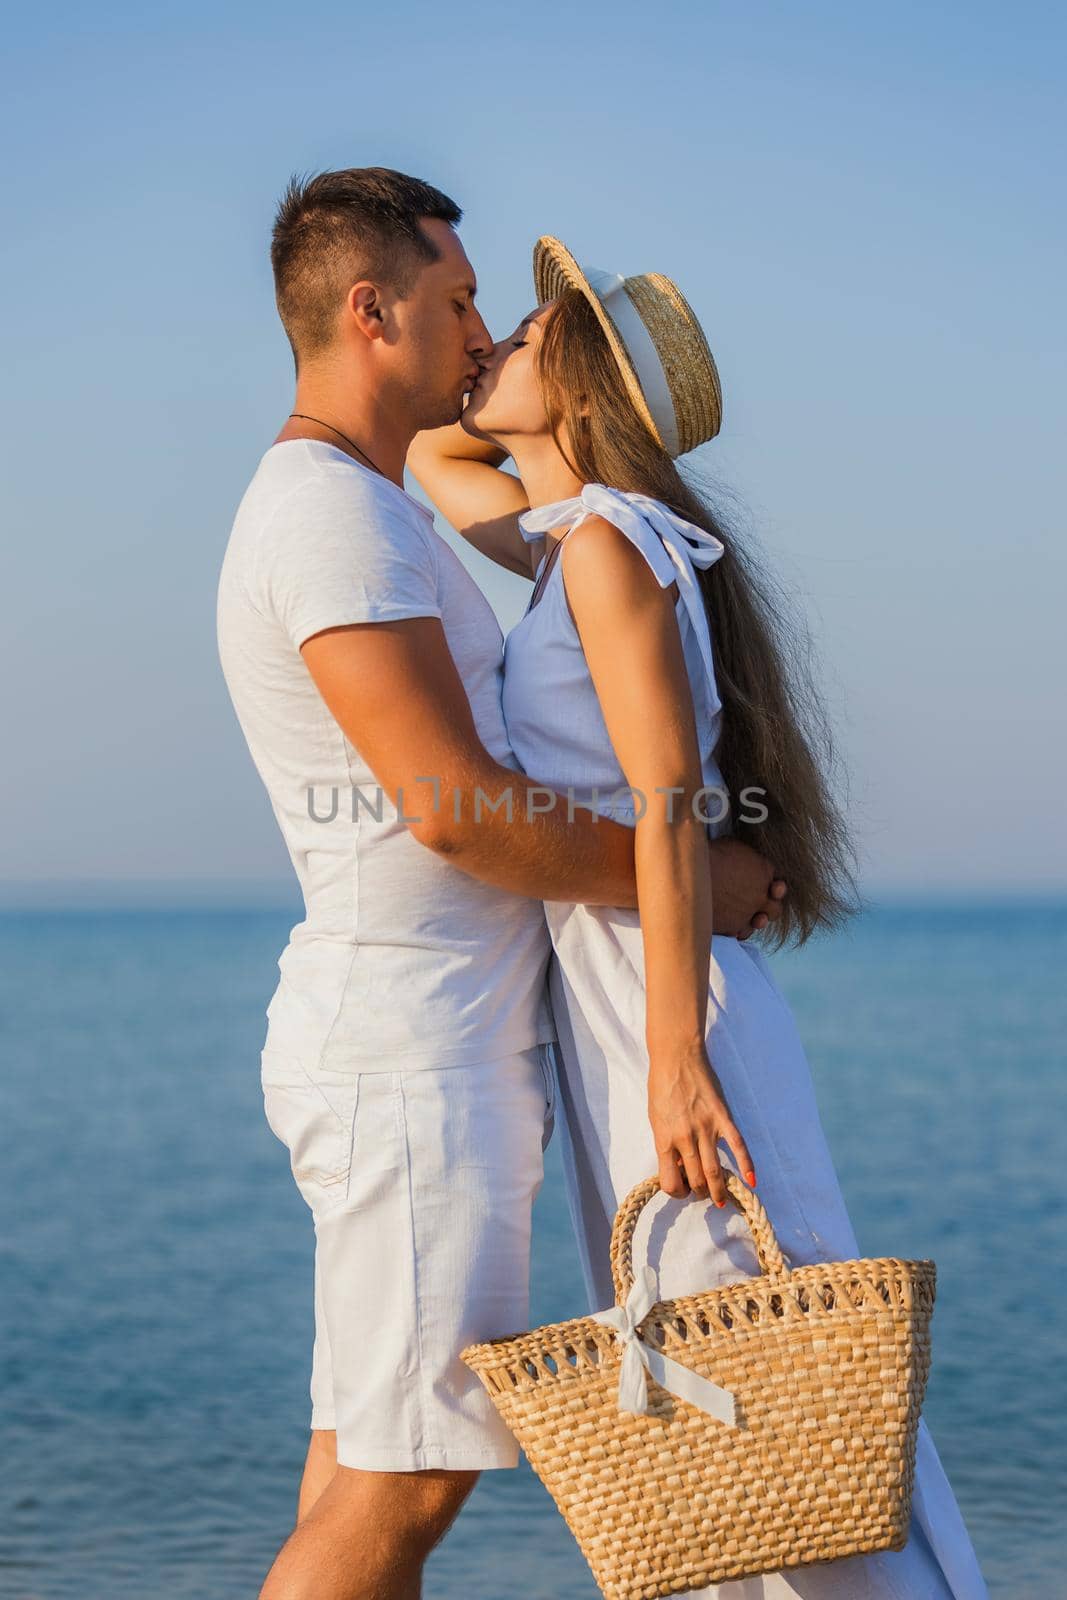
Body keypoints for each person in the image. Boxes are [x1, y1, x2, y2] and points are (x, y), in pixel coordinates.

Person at [216, 168, 787, 1600]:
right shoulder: (332, 522)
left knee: (368, 1467)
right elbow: (454, 812)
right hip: (410, 1053)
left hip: (429, 1042)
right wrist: (685, 894)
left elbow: (523, 484)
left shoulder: (377, 502)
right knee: (408, 1481)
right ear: (370, 310)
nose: (479, 332)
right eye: (459, 301)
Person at [407, 236, 991, 1599]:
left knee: (785, 1401)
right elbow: (436, 461)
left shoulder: (613, 551)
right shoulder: (570, 543)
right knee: (730, 1403)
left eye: (536, 333)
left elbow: (674, 810)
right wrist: (478, 380)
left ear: (590, 388)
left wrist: (674, 1061)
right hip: (626, 1006)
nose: (497, 342)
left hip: (670, 1017)